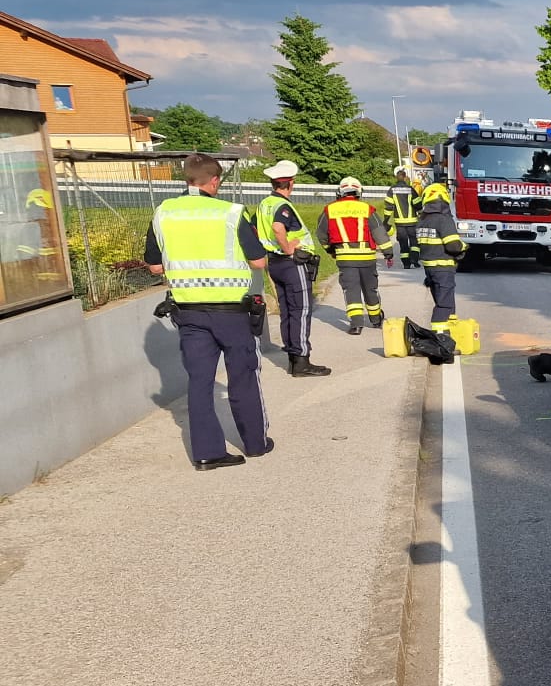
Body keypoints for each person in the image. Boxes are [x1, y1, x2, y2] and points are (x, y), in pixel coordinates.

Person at [144, 153, 274, 470]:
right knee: (242, 374)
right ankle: (256, 443)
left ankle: (207, 453)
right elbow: (258, 261)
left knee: (199, 381)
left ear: (187, 179)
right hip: (232, 311)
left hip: (188, 312)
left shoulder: (164, 214)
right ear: (214, 180)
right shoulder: (230, 213)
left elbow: (154, 265)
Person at [254, 161, 329, 377]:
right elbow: (279, 228)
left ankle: (292, 357)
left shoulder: (264, 203)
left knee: (287, 310)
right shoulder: (282, 206)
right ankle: (302, 361)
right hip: (292, 263)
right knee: (302, 310)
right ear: (291, 184)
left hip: (274, 264)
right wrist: (288, 248)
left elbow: (256, 228)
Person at [317, 176, 397, 335]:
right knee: (370, 289)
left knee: (351, 290)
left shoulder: (329, 210)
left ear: (340, 192)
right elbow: (379, 233)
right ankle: (376, 319)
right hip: (367, 258)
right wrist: (388, 253)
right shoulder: (367, 209)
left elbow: (321, 235)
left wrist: (331, 250)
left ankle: (356, 324)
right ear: (358, 192)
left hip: (345, 259)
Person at [413, 181, 466, 339]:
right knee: (444, 304)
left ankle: (450, 333)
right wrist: (463, 249)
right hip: (443, 267)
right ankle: (441, 338)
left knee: (444, 301)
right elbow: (453, 246)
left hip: (430, 268)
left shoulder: (422, 220)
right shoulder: (443, 219)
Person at [382, 167, 421, 264]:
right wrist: (421, 215)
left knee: (403, 243)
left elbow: (388, 208)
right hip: (412, 222)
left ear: (396, 177)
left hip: (399, 223)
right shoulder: (410, 189)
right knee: (414, 242)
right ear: (405, 177)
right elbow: (418, 204)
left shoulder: (392, 190)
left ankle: (406, 263)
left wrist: (385, 221)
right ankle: (414, 260)